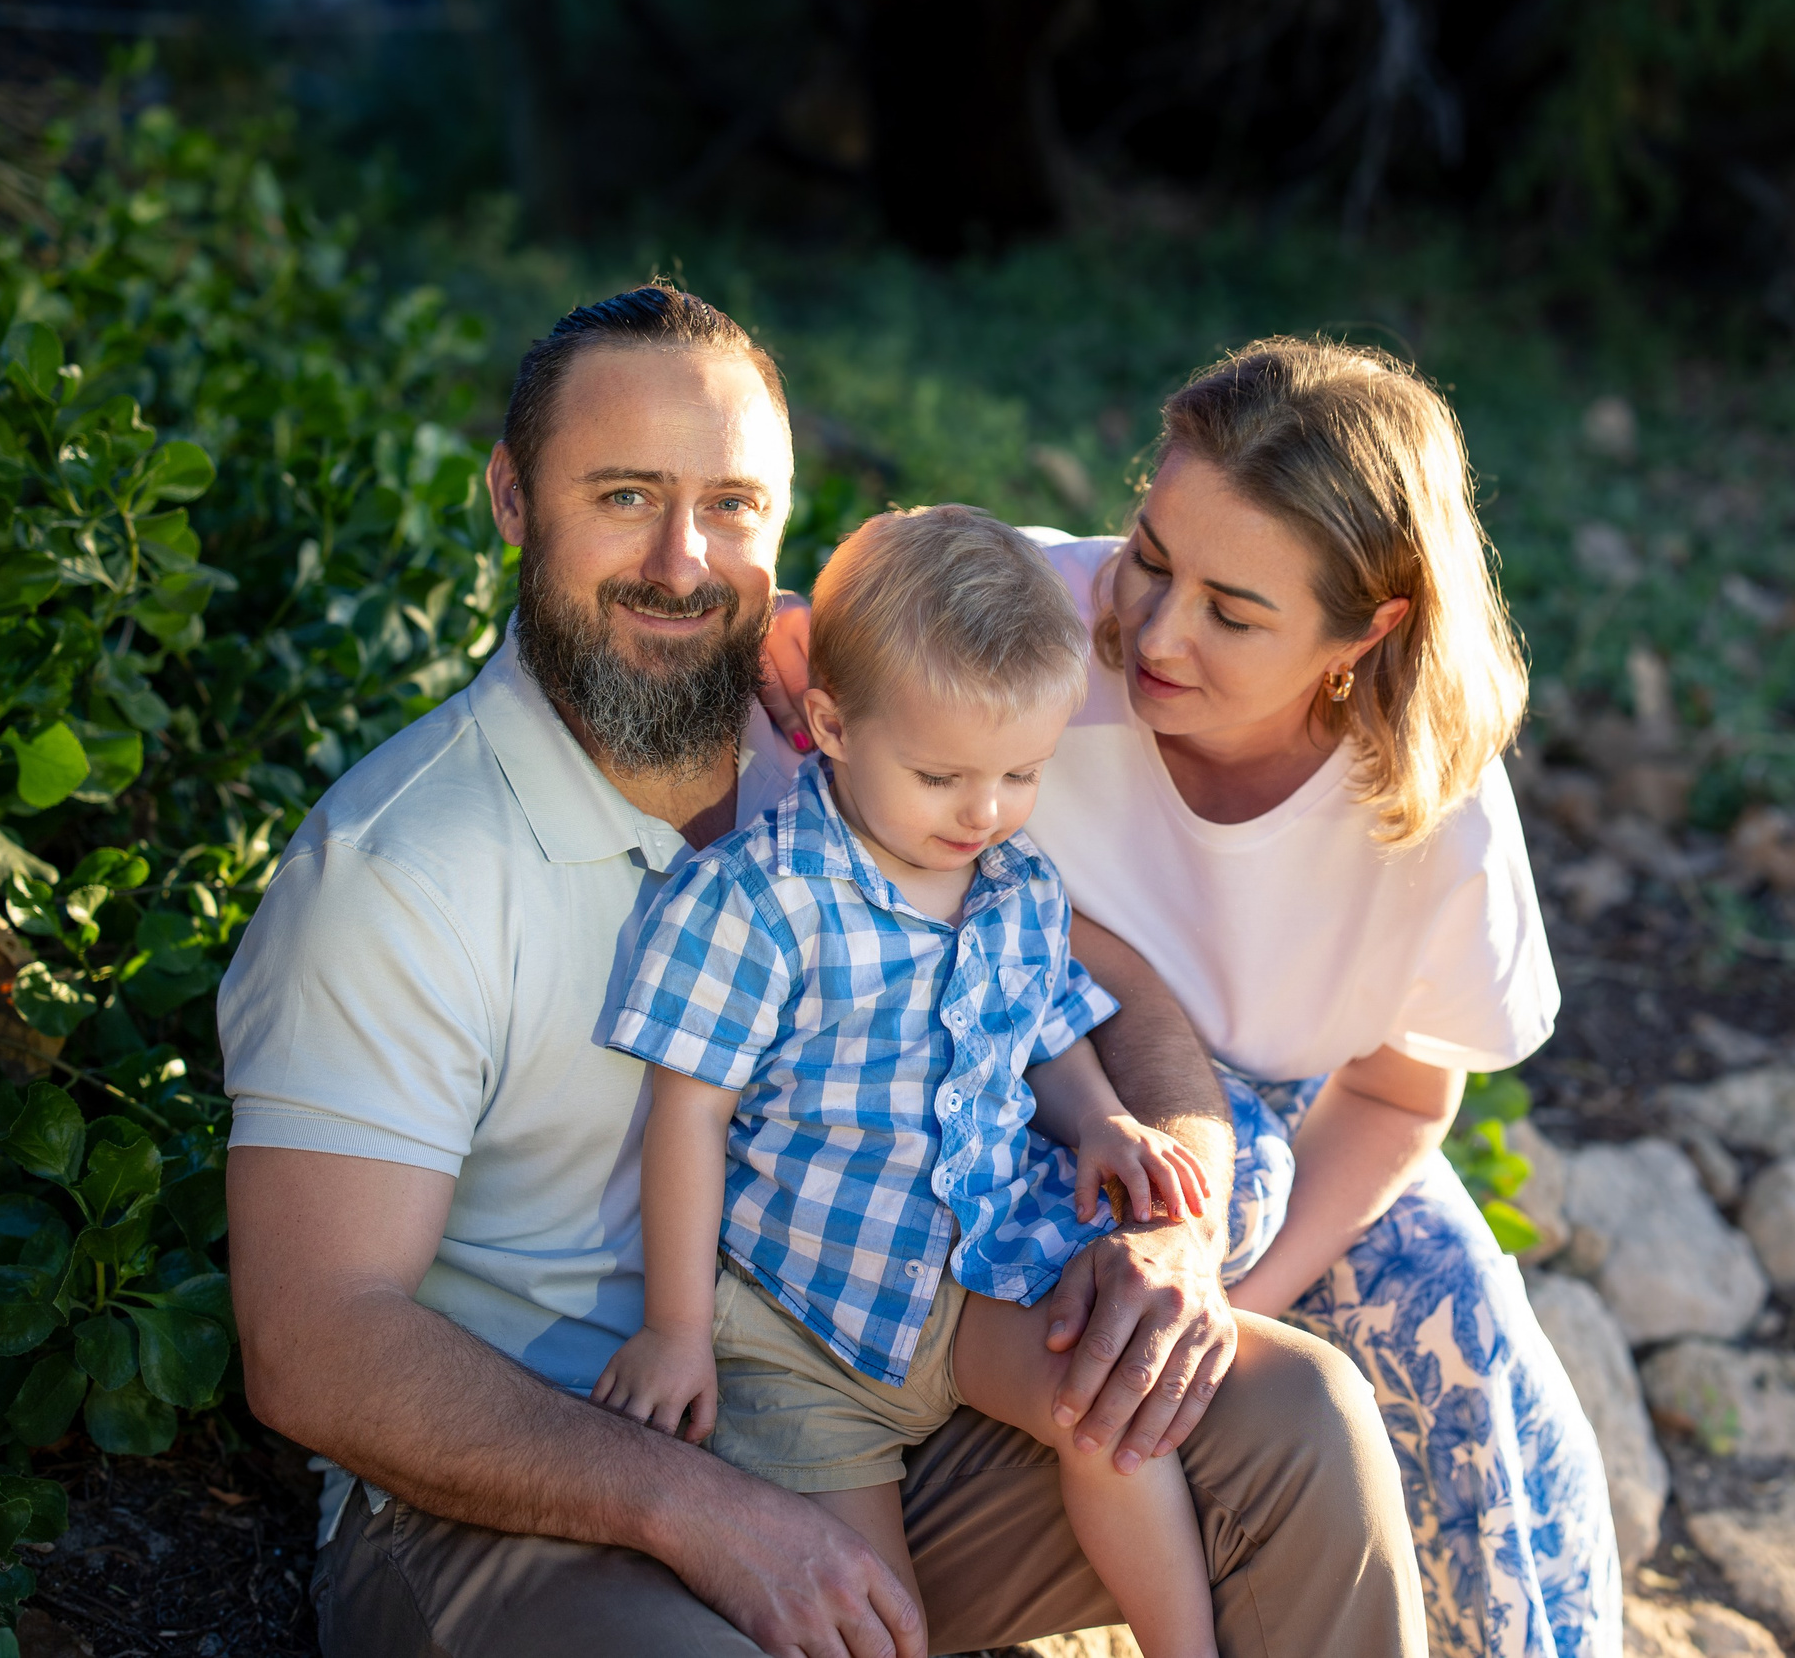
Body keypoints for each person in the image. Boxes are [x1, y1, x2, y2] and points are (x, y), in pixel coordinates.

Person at [217, 287, 1428, 1658]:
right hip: (513, 1502)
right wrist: (693, 1504)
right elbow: (316, 1344)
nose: (681, 559)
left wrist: (1175, 1227)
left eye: (731, 505)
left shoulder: (848, 742)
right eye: (624, 495)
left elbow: (1095, 979)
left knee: (1290, 1420)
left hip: (873, 1362)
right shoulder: (399, 870)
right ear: (510, 497)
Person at [762, 337, 1624, 1658]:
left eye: (1234, 611)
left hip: (1270, 1137)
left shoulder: (1430, 800)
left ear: (1368, 629)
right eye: (1151, 557)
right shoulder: (1022, 617)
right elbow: (822, 639)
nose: (1157, 634)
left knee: (1456, 1325)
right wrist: (777, 631)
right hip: (1006, 1067)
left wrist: (1238, 1296)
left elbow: (1400, 1095)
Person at [598, 505, 1223, 1658]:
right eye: (942, 776)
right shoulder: (760, 901)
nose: (984, 813)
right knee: (873, 1619)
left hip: (972, 1270)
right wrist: (675, 1331)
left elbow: (1037, 1025)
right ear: (832, 724)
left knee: (1112, 1408)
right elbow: (687, 1119)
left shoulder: (1014, 881)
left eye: (1021, 773)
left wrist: (1099, 1119)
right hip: (802, 1329)